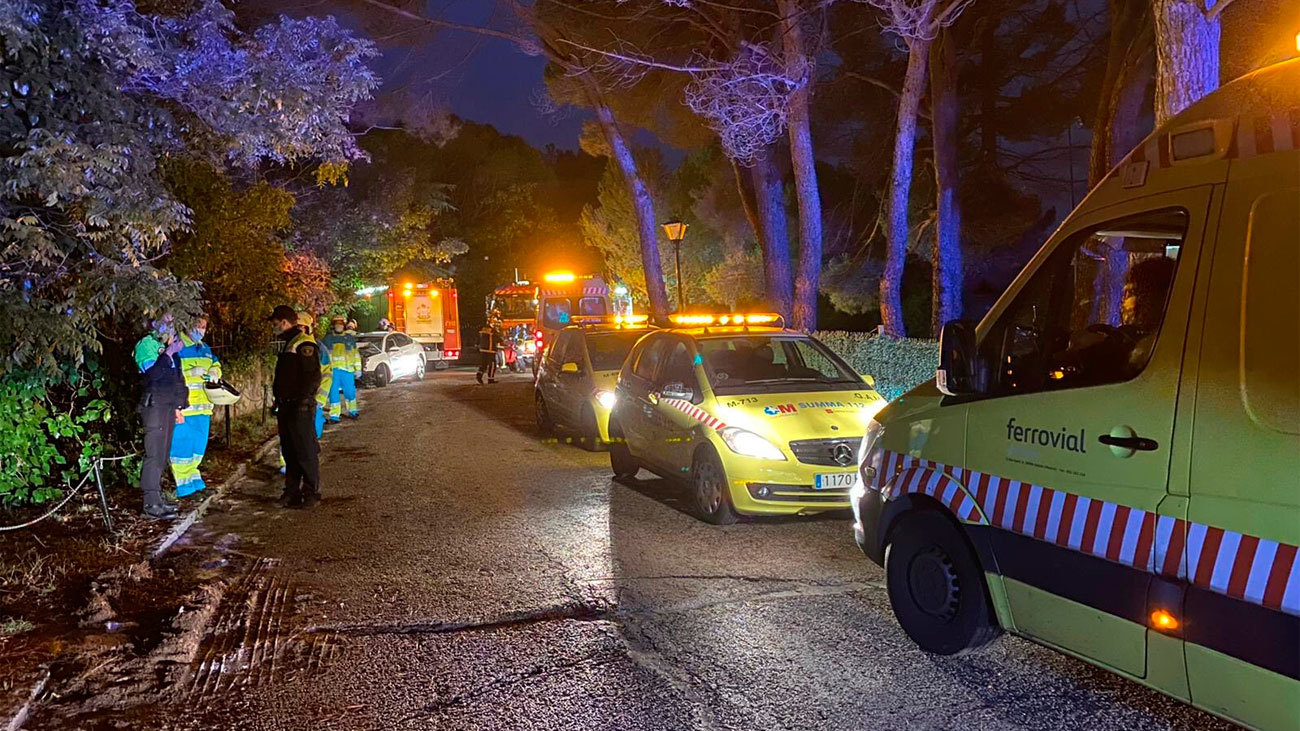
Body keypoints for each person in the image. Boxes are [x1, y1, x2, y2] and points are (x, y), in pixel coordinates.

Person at [134, 315, 188, 519]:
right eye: (166, 321)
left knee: (163, 455)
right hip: (154, 405)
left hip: (167, 406)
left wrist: (178, 406)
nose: (170, 326)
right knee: (154, 454)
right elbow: (152, 374)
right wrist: (168, 353)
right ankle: (150, 504)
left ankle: (158, 499)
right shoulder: (147, 344)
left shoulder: (169, 348)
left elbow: (176, 380)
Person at [268, 305, 322, 508]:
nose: (273, 327)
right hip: (286, 406)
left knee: (305, 451)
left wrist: (303, 401)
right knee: (290, 452)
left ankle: (311, 493)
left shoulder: (303, 343)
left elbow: (312, 377)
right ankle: (291, 492)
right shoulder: (288, 342)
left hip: (300, 408)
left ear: (284, 322)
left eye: (275, 323)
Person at [170, 316, 220, 498]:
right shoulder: (176, 346)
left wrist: (215, 370)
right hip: (185, 407)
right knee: (182, 447)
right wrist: (189, 373)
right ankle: (184, 487)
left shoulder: (204, 348)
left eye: (204, 326)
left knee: (198, 448)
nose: (200, 329)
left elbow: (215, 362)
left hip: (204, 407)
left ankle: (195, 482)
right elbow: (169, 371)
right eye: (197, 325)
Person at [322, 315, 361, 422]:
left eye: (340, 324)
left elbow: (355, 354)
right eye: (336, 324)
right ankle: (334, 415)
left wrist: (358, 369)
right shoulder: (327, 339)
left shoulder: (349, 339)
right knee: (333, 393)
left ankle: (352, 410)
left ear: (344, 325)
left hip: (347, 371)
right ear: (333, 325)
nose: (338, 326)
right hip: (332, 371)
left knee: (350, 392)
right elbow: (323, 356)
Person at [476, 317, 501, 385]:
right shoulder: (492, 331)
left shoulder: (481, 329)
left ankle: (479, 375)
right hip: (491, 350)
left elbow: (478, 339)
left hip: (482, 349)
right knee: (492, 365)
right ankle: (490, 379)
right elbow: (498, 339)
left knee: (483, 364)